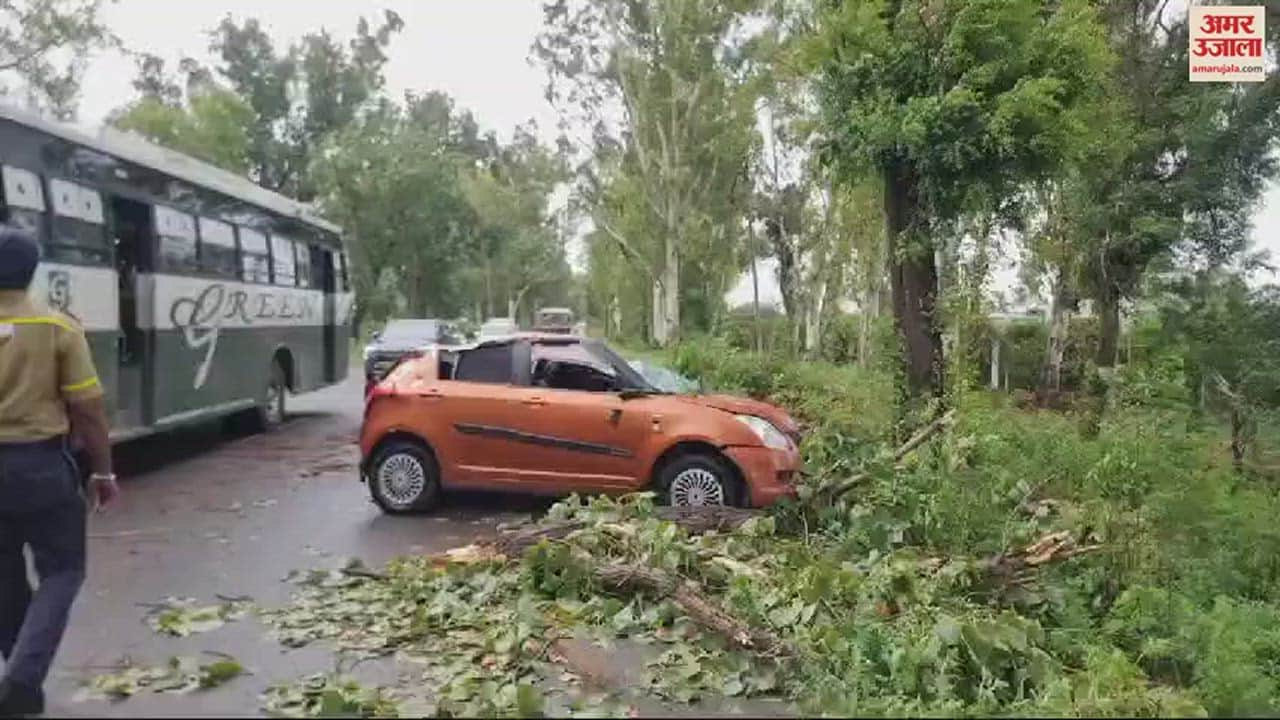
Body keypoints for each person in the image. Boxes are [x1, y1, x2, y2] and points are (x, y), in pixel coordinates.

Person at [0, 228, 118, 716]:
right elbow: (87, 408)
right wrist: (103, 473)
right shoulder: (58, 328)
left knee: (3, 575)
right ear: (32, 272)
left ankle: (20, 680)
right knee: (63, 570)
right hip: (41, 468)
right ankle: (22, 681)